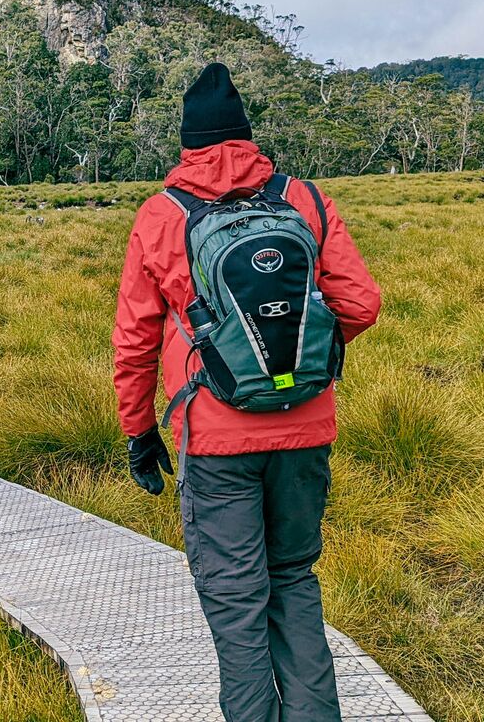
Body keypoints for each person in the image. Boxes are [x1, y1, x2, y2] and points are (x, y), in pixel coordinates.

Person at [112, 62, 381, 722]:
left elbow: (135, 340)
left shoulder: (161, 215)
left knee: (237, 605)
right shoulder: (305, 199)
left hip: (213, 436)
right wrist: (304, 348)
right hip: (307, 431)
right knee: (293, 580)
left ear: (187, 144)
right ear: (247, 136)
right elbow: (362, 304)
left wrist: (138, 430)